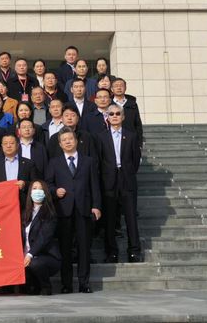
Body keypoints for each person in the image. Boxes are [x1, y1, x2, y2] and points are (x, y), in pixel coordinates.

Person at [45, 128, 101, 294]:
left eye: (70, 139)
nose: (68, 142)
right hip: (64, 210)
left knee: (84, 248)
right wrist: (55, 191)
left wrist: (96, 205)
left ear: (76, 141)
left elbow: (95, 185)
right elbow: (48, 184)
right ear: (60, 144)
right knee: (65, 248)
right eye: (64, 140)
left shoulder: (88, 161)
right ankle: (66, 284)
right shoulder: (54, 163)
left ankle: (84, 283)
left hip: (84, 209)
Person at [95, 105, 142, 264]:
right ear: (107, 117)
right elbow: (99, 160)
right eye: (111, 114)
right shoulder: (100, 137)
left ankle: (134, 251)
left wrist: (127, 172)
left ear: (123, 117)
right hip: (108, 181)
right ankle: (111, 252)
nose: (114, 116)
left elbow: (135, 160)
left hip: (127, 179)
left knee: (131, 217)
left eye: (117, 113)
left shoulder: (131, 136)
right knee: (109, 218)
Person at [22, 180, 61, 296]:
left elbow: (44, 237)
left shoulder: (50, 213)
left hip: (46, 257)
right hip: (25, 256)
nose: (37, 191)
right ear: (30, 192)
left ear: (45, 193)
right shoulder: (25, 213)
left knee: (35, 263)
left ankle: (46, 286)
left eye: (41, 189)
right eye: (34, 188)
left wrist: (30, 254)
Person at [0, 133, 37, 208]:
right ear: (2, 146)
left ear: (17, 145)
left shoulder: (28, 163)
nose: (8, 146)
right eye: (5, 143)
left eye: (12, 143)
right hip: (2, 204)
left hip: (23, 204)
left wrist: (25, 184)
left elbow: (35, 183)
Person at [111, 78, 144, 146]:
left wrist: (139, 142)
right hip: (112, 139)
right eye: (116, 86)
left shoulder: (132, 104)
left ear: (125, 88)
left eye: (121, 85)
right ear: (112, 89)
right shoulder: (109, 104)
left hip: (130, 139)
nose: (119, 88)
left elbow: (137, 124)